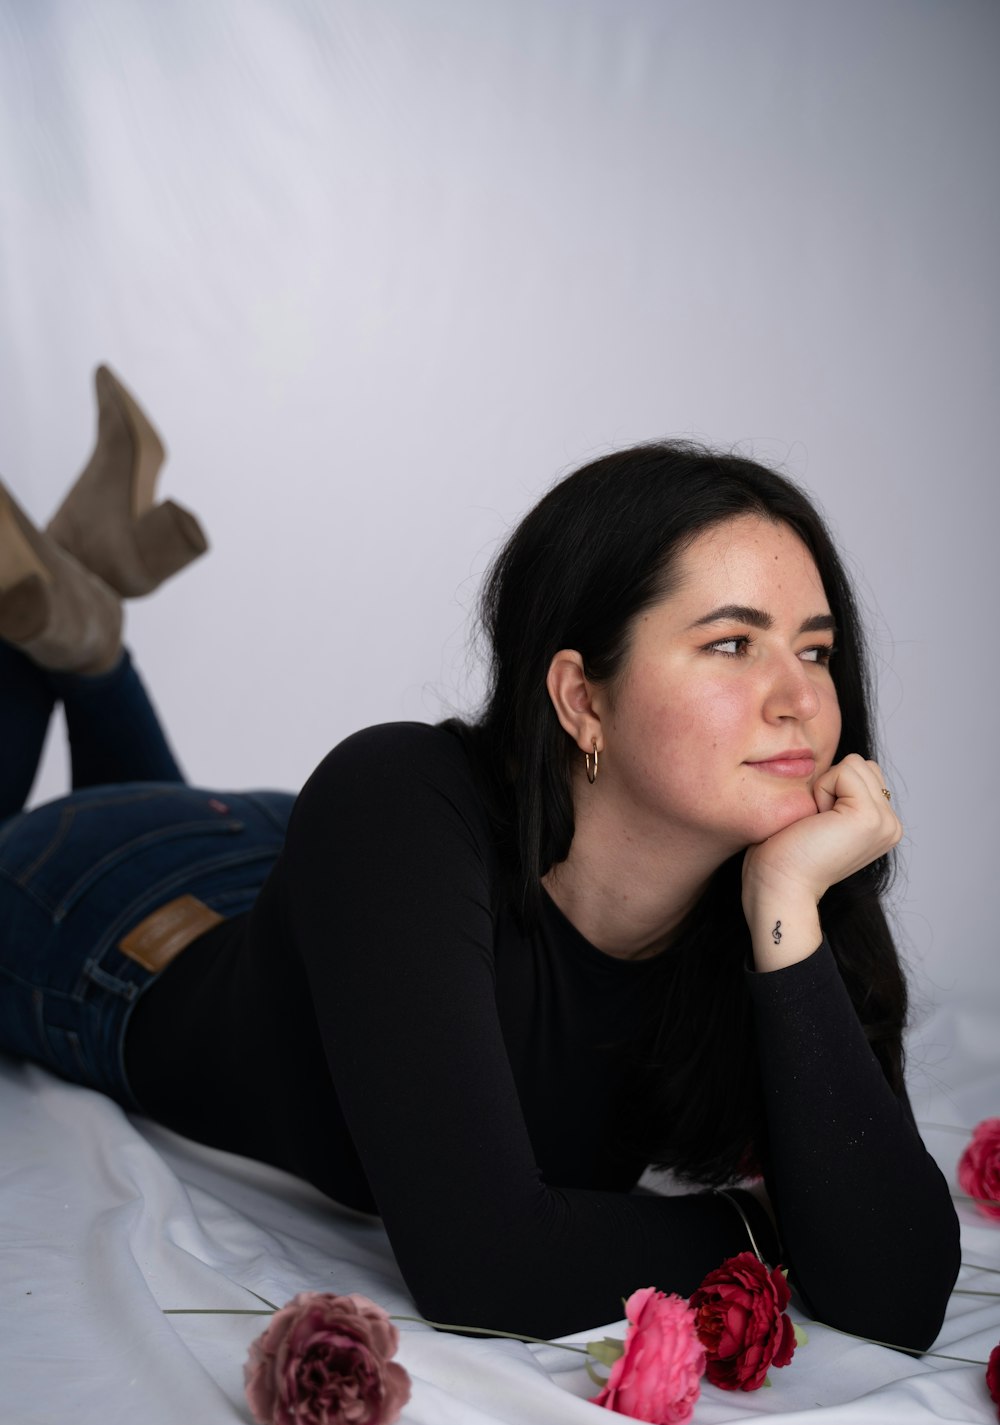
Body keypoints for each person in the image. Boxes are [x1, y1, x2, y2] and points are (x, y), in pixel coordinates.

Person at [0, 368, 959, 1346]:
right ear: (582, 699)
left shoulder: (783, 867)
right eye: (729, 646)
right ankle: (64, 642)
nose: (798, 698)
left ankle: (82, 631)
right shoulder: (398, 793)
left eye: (813, 650)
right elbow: (489, 1265)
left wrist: (787, 904)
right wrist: (773, 1231)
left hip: (331, 888)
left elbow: (898, 1289)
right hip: (111, 924)